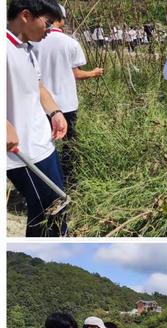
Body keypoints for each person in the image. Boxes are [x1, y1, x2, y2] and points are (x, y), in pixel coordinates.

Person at [7, 0, 68, 237]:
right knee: (49, 213)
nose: (50, 30)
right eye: (47, 22)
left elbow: (39, 85)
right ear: (25, 15)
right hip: (22, 153)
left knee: (54, 207)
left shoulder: (28, 49)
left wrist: (55, 112)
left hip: (43, 144)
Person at [31, 4, 103, 182]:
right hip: (66, 104)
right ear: (60, 19)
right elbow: (76, 74)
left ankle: (46, 178)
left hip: (41, 104)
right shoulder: (70, 43)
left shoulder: (32, 42)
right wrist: (94, 73)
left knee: (44, 143)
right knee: (69, 144)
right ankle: (69, 179)